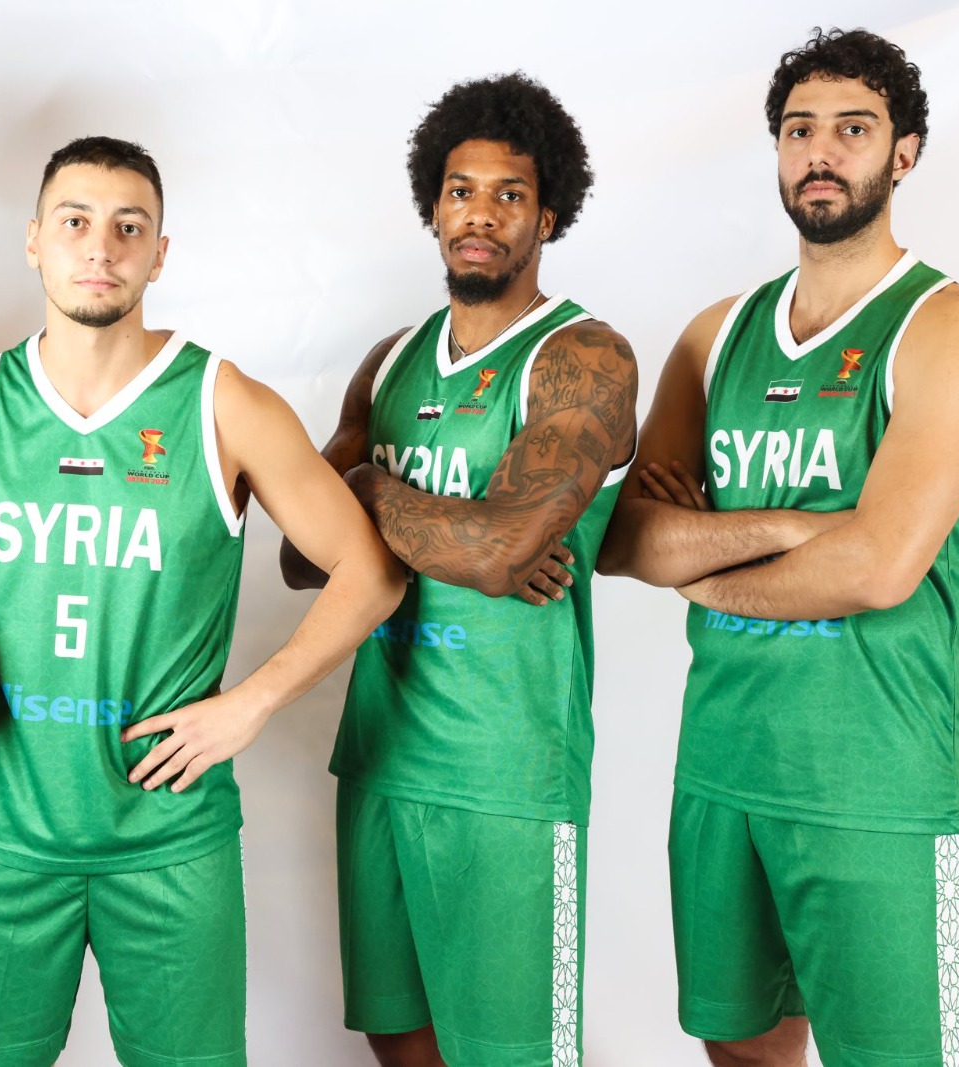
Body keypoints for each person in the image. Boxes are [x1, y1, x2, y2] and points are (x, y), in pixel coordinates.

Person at [0, 135, 404, 1067]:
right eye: (75, 222)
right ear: (34, 240)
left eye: (128, 227)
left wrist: (252, 702)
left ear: (160, 253)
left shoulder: (223, 403)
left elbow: (371, 570)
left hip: (169, 831)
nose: (100, 247)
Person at [597, 27, 959, 1067]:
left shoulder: (947, 327)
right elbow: (626, 536)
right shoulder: (716, 334)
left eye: (852, 129)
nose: (820, 152)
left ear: (904, 152)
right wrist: (796, 528)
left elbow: (879, 566)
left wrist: (707, 569)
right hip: (722, 765)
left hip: (878, 783)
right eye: (798, 130)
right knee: (739, 1047)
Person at [282, 73, 638, 1066]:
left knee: (513, 1053)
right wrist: (462, 532)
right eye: (460, 191)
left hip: (507, 769)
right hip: (382, 753)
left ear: (548, 215)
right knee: (398, 1034)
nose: (480, 214)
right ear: (433, 207)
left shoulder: (584, 356)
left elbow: (500, 550)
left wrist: (366, 489)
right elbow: (302, 556)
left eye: (508, 194)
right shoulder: (391, 361)